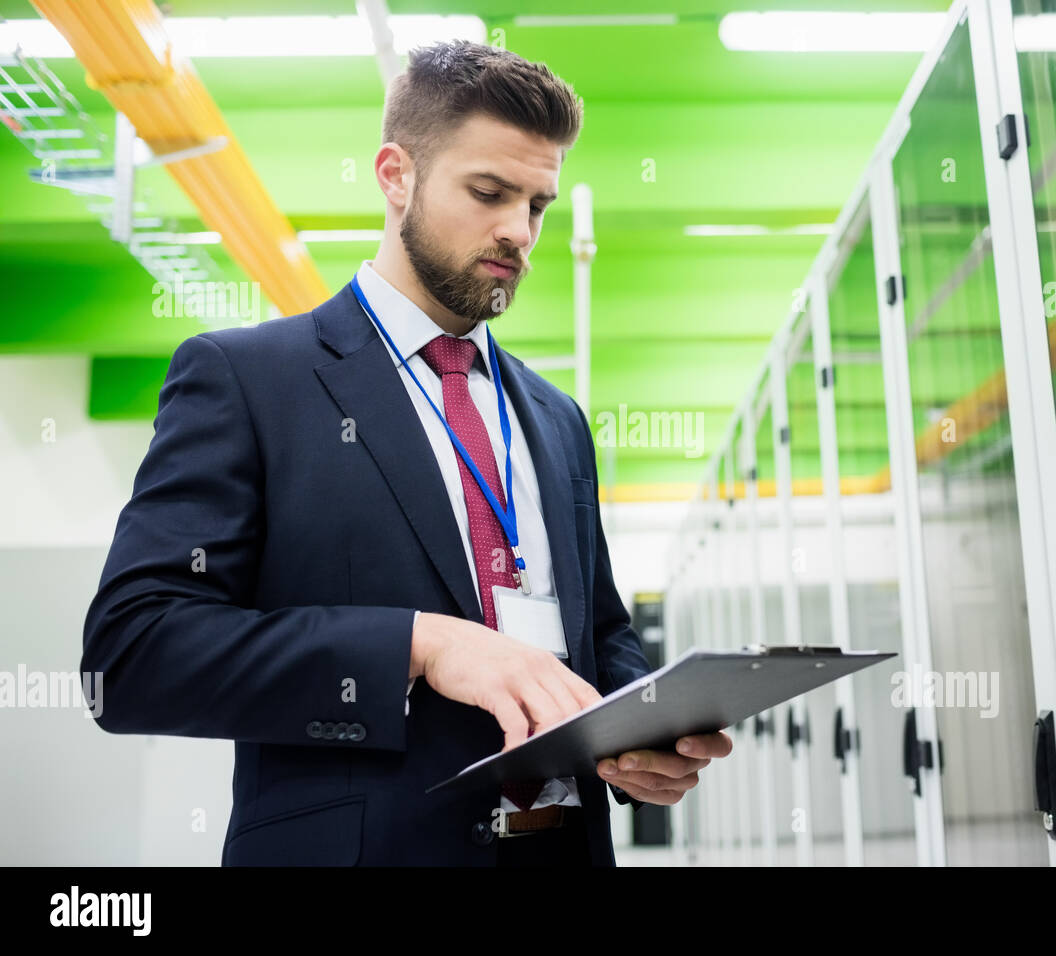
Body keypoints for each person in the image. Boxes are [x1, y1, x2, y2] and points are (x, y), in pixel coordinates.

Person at [82, 39, 730, 867]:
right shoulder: (249, 380)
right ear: (396, 174)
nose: (518, 233)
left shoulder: (557, 417)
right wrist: (421, 645)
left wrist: (639, 738)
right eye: (489, 192)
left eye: (537, 205)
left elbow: (602, 637)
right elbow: (133, 655)